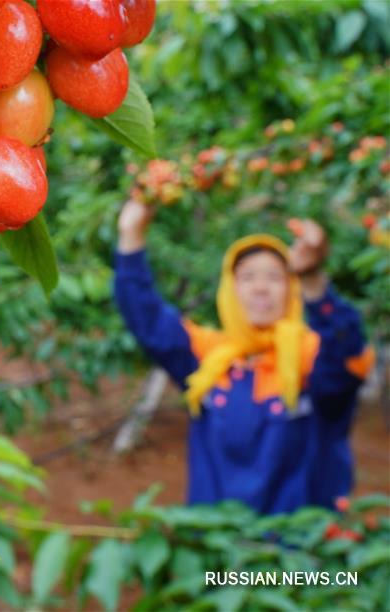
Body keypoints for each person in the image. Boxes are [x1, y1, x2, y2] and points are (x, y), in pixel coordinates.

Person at [114, 199, 374, 514]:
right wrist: (131, 234)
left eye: (276, 278)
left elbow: (347, 352)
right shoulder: (208, 357)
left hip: (296, 553)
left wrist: (312, 279)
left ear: (292, 289)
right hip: (216, 545)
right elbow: (148, 319)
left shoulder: (311, 356)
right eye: (248, 277)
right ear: (230, 289)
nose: (261, 288)